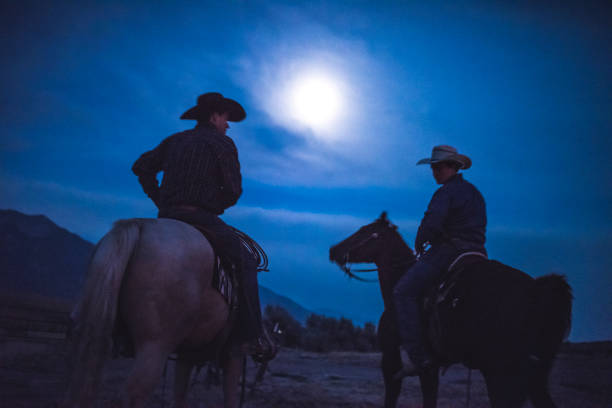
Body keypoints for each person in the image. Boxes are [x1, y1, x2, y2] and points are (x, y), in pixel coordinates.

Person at [131, 92, 267, 355]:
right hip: (201, 217)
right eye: (226, 119)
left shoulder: (175, 141)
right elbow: (233, 191)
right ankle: (251, 336)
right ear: (215, 116)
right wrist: (216, 203)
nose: (228, 125)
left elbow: (141, 167)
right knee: (247, 261)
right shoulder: (223, 145)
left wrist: (160, 200)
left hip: (167, 217)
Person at [393, 145, 487, 377]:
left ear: (453, 167)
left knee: (403, 292)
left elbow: (432, 224)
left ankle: (418, 358)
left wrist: (420, 240)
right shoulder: (475, 193)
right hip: (478, 252)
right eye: (433, 168)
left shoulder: (445, 193)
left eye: (439, 167)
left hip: (450, 251)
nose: (435, 172)